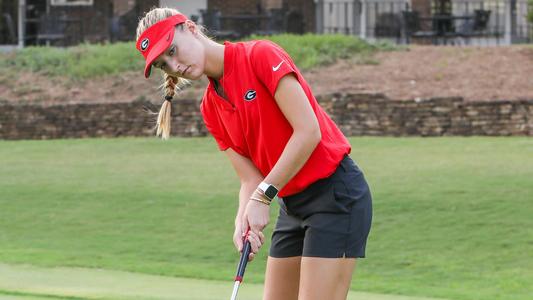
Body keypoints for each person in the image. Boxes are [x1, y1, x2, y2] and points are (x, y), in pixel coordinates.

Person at [135, 7, 372, 300]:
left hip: (336, 196)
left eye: (172, 50)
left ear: (191, 28)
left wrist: (262, 197)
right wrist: (242, 217)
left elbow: (308, 131)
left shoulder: (260, 55)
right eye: (163, 64)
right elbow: (250, 178)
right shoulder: (210, 107)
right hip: (292, 206)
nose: (173, 65)